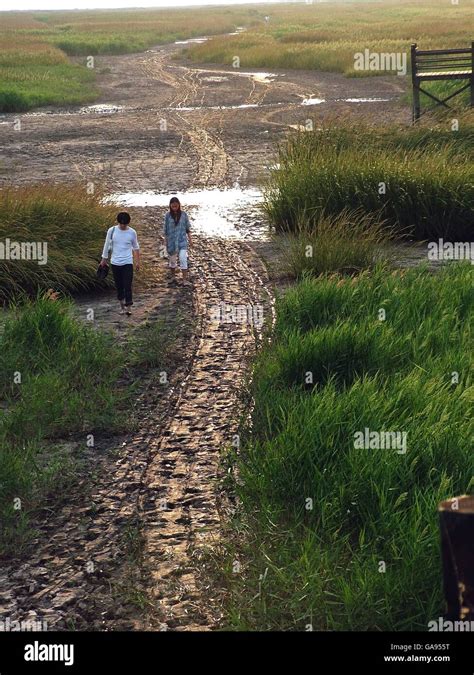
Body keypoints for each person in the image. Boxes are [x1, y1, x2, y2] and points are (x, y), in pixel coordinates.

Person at [100, 212, 140, 315]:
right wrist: (104, 259)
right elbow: (106, 245)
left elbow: (136, 248)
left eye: (125, 224)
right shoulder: (112, 230)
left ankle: (129, 307)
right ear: (118, 222)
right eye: (121, 223)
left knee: (127, 285)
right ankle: (122, 307)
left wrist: (137, 262)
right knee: (119, 286)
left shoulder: (132, 232)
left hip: (127, 262)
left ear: (128, 223)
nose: (123, 225)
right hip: (115, 262)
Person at [163, 197, 193, 286]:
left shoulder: (184, 215)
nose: (174, 208)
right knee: (172, 261)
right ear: (170, 206)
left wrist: (190, 240)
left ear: (179, 205)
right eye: (173, 206)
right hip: (171, 241)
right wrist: (165, 241)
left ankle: (184, 279)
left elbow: (187, 228)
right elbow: (165, 230)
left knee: (183, 258)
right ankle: (173, 277)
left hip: (182, 240)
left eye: (176, 206)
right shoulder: (167, 216)